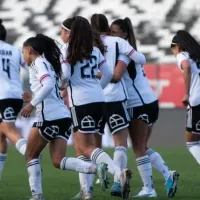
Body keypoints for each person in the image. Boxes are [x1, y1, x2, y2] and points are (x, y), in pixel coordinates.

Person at [21, 34, 109, 200]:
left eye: (23, 52)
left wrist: (31, 104)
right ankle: (97, 169)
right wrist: (32, 98)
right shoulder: (48, 64)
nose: (22, 56)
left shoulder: (38, 63)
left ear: (30, 50)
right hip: (63, 116)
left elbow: (47, 85)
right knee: (57, 160)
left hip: (48, 118)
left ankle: (37, 195)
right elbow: (51, 88)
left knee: (30, 154)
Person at [61, 16, 132, 200]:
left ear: (71, 32)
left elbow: (65, 76)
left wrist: (61, 85)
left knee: (85, 147)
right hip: (98, 100)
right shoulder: (94, 49)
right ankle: (86, 192)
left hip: (81, 102)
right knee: (83, 146)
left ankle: (118, 173)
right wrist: (97, 89)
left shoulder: (68, 49)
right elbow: (108, 73)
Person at [110, 17, 179, 198]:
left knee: (138, 147)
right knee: (142, 146)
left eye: (114, 32)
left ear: (124, 34)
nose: (111, 35)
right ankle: (167, 174)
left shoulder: (123, 54)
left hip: (137, 104)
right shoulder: (131, 51)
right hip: (150, 101)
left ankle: (149, 189)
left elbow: (116, 76)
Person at [0, 19, 27, 180]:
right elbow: (30, 66)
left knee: (8, 130)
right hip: (16, 95)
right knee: (1, 135)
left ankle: (31, 154)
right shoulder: (15, 50)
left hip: (2, 96)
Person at [171, 30, 200, 173]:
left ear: (178, 46)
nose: (173, 52)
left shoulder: (183, 55)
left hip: (197, 102)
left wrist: (186, 93)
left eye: (173, 48)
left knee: (192, 142)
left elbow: (186, 66)